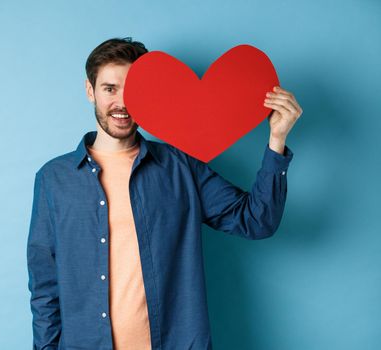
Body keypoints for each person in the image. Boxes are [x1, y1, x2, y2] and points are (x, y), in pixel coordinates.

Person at [27, 37, 303, 350]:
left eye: (132, 90)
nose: (122, 103)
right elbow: (45, 287)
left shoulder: (180, 167)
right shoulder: (54, 180)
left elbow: (256, 221)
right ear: (90, 91)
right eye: (109, 89)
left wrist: (276, 141)